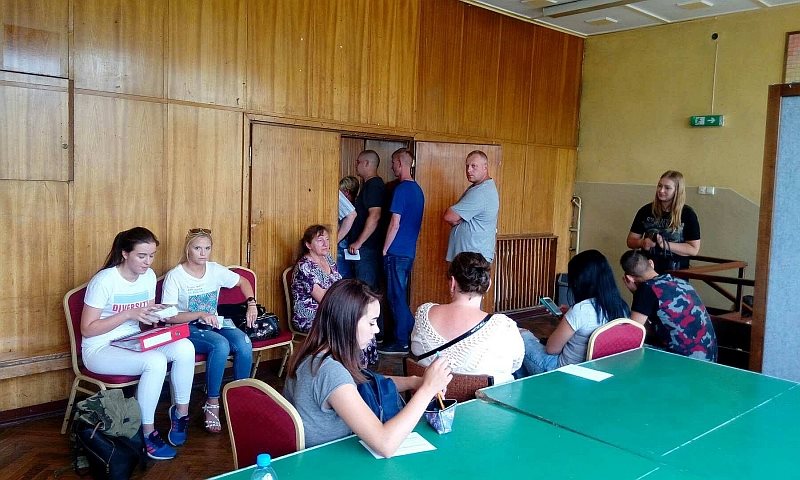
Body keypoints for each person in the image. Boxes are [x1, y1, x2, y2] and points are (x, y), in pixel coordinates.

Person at [284, 279, 452, 456]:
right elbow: (385, 444)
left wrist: (415, 382)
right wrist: (427, 390)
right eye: (372, 322)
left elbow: (366, 381)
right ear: (347, 323)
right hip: (330, 460)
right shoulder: (331, 372)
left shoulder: (312, 354)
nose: (377, 330)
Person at [80, 227, 194, 461]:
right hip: (99, 347)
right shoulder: (104, 281)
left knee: (185, 347)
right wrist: (127, 314)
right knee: (155, 361)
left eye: (151, 255)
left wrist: (157, 313)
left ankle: (180, 414)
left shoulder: (149, 276)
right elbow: (87, 329)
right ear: (125, 253)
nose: (148, 262)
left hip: (132, 340)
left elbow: (144, 319)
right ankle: (146, 432)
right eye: (141, 256)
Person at [160, 228, 255, 434]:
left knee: (244, 343)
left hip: (213, 323)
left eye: (207, 248)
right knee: (220, 345)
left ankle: (240, 400)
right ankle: (212, 403)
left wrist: (252, 304)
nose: (203, 253)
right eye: (197, 248)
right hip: (186, 327)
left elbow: (243, 281)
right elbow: (168, 316)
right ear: (188, 249)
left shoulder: (214, 269)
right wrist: (199, 314)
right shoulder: (175, 276)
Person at [410, 252, 523, 383]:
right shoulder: (504, 326)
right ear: (488, 285)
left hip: (431, 395)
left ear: (452, 283)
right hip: (486, 396)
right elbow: (516, 364)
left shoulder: (424, 313)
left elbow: (415, 350)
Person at [521, 249, 631, 375]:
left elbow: (552, 349)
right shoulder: (622, 307)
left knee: (521, 335)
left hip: (564, 372)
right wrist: (568, 318)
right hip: (597, 372)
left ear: (580, 281)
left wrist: (569, 317)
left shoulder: (581, 309)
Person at [620, 249, 717, 361]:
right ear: (651, 263)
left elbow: (634, 332)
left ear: (630, 278)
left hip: (684, 361)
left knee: (629, 353)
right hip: (710, 358)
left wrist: (637, 295)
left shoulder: (646, 290)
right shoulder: (680, 281)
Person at [378, 148, 425, 356]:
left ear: (399, 162)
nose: (391, 167)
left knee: (396, 297)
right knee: (399, 296)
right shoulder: (418, 190)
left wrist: (385, 248)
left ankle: (403, 340)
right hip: (408, 252)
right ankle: (412, 337)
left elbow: (394, 223)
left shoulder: (401, 190)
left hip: (396, 252)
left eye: (392, 163)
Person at [627, 170, 700, 273]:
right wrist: (642, 242)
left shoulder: (688, 214)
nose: (661, 190)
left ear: (677, 191)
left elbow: (693, 249)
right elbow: (630, 241)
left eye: (667, 188)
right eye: (659, 186)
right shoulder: (645, 210)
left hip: (676, 271)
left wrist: (664, 244)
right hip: (647, 269)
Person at [444, 150, 499, 263]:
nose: (469, 170)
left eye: (474, 166)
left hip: (473, 259)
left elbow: (449, 216)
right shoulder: (477, 188)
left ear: (485, 167)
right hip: (470, 257)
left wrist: (458, 218)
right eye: (467, 166)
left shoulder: (481, 192)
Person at [291, 225, 342, 333]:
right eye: (320, 240)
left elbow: (339, 284)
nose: (325, 244)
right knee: (348, 324)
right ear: (308, 245)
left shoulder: (328, 258)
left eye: (327, 239)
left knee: (359, 320)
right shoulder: (305, 266)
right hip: (310, 317)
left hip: (332, 311)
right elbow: (323, 298)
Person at [347, 150, 386, 290]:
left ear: (367, 163)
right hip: (367, 247)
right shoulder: (369, 185)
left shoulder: (374, 185)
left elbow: (375, 216)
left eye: (358, 162)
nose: (356, 165)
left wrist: (359, 242)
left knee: (366, 290)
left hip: (368, 248)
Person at [336, 176, 359, 278]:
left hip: (342, 245)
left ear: (346, 192)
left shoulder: (345, 208)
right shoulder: (358, 205)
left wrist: (334, 240)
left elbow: (351, 216)